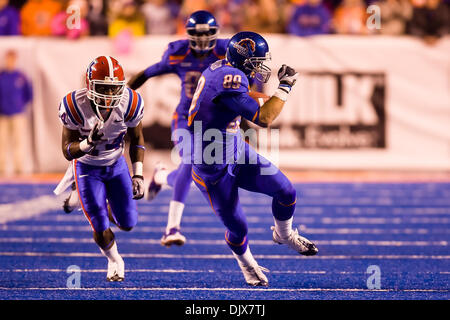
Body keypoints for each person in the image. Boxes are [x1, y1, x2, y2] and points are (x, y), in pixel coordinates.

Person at [186, 31, 318, 286]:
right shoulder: (230, 78)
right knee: (238, 229)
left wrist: (263, 98)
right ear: (242, 61)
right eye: (256, 63)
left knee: (286, 192)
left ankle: (285, 235)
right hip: (213, 167)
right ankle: (246, 265)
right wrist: (285, 87)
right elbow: (265, 119)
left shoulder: (222, 70)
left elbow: (236, 100)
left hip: (236, 150)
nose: (260, 68)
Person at [127, 10, 228, 247]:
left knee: (206, 174)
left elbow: (247, 77)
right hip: (185, 118)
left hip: (214, 122)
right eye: (197, 34)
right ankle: (171, 228)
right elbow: (147, 73)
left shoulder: (226, 51)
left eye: (207, 34)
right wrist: (125, 95)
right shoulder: (178, 52)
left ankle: (162, 176)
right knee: (190, 162)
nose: (202, 39)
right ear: (188, 34)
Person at [57, 55, 145, 281]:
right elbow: (67, 150)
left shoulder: (131, 102)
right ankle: (115, 260)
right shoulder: (74, 106)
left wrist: (138, 174)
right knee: (98, 222)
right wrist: (87, 143)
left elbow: (137, 138)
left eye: (113, 88)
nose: (108, 94)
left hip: (116, 164)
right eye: (103, 88)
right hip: (87, 168)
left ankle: (94, 202)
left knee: (127, 223)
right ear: (89, 86)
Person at [0, 50, 33, 176]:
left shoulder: (21, 76)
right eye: (8, 59)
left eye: (12, 59)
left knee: (18, 141)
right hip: (3, 115)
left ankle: (18, 167)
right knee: (2, 142)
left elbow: (28, 94)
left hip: (18, 114)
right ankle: (1, 168)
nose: (10, 62)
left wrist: (20, 105)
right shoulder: (1, 76)